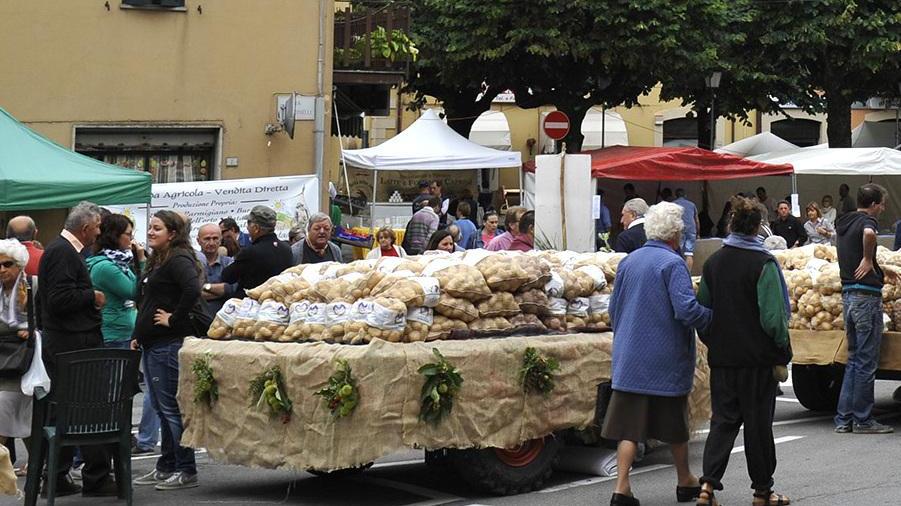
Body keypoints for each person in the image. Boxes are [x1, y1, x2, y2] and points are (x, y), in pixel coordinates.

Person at [602, 202, 711, 506]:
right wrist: (712, 317)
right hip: (664, 357)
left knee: (628, 427)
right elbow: (686, 310)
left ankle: (621, 488)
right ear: (675, 234)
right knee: (674, 423)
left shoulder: (628, 262)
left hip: (630, 357)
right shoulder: (672, 263)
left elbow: (613, 310)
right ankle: (684, 479)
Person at [695, 196, 792, 506]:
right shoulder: (762, 263)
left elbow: (703, 311)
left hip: (723, 359)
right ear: (758, 229)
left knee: (722, 423)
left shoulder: (713, 263)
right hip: (756, 361)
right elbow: (773, 319)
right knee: (757, 426)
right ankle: (763, 491)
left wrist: (714, 340)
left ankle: (707, 487)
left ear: (731, 225)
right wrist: (782, 349)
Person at [37, 201, 116, 497]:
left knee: (67, 412)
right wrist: (91, 296)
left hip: (67, 342)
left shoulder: (63, 251)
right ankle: (94, 478)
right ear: (85, 228)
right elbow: (58, 299)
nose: (99, 233)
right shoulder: (62, 252)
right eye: (97, 227)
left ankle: (57, 477)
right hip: (73, 345)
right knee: (87, 411)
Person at [131, 210, 202, 491]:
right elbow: (148, 299)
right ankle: (166, 466)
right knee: (162, 409)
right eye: (150, 227)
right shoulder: (158, 260)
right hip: (153, 343)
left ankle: (187, 469)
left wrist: (173, 318)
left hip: (169, 343)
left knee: (172, 409)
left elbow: (192, 289)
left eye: (157, 228)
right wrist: (138, 333)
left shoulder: (179, 258)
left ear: (172, 234)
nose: (150, 232)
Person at [834, 184, 899, 434]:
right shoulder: (866, 221)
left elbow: (852, 248)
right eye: (882, 203)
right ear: (873, 204)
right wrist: (868, 258)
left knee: (853, 360)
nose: (883, 208)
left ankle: (844, 419)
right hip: (866, 299)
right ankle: (863, 419)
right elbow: (869, 235)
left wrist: (881, 269)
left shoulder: (844, 221)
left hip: (848, 295)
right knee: (865, 362)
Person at [0, 240, 32, 476]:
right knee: (14, 413)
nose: (1, 269)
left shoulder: (33, 286)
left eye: (7, 264)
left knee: (9, 408)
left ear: (19, 265)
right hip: (3, 361)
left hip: (25, 362)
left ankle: (38, 460)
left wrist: (33, 330)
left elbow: (48, 320)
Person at [222, 206, 294, 296]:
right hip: (279, 302)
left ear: (256, 228)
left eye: (248, 224)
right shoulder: (286, 248)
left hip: (253, 304)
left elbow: (227, 277)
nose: (247, 228)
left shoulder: (250, 252)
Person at [196, 224, 237, 315]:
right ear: (198, 241)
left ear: (220, 240)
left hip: (223, 320)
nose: (211, 243)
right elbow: (189, 293)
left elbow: (232, 289)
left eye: (215, 238)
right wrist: (221, 291)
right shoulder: (191, 263)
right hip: (197, 320)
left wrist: (203, 287)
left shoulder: (229, 263)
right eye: (207, 239)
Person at [673, 189, 699, 271]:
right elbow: (696, 220)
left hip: (679, 229)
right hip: (691, 229)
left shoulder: (673, 205)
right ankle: (688, 274)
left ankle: (679, 272)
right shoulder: (692, 204)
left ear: (675, 195)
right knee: (689, 254)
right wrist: (698, 233)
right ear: (685, 195)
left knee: (677, 252)